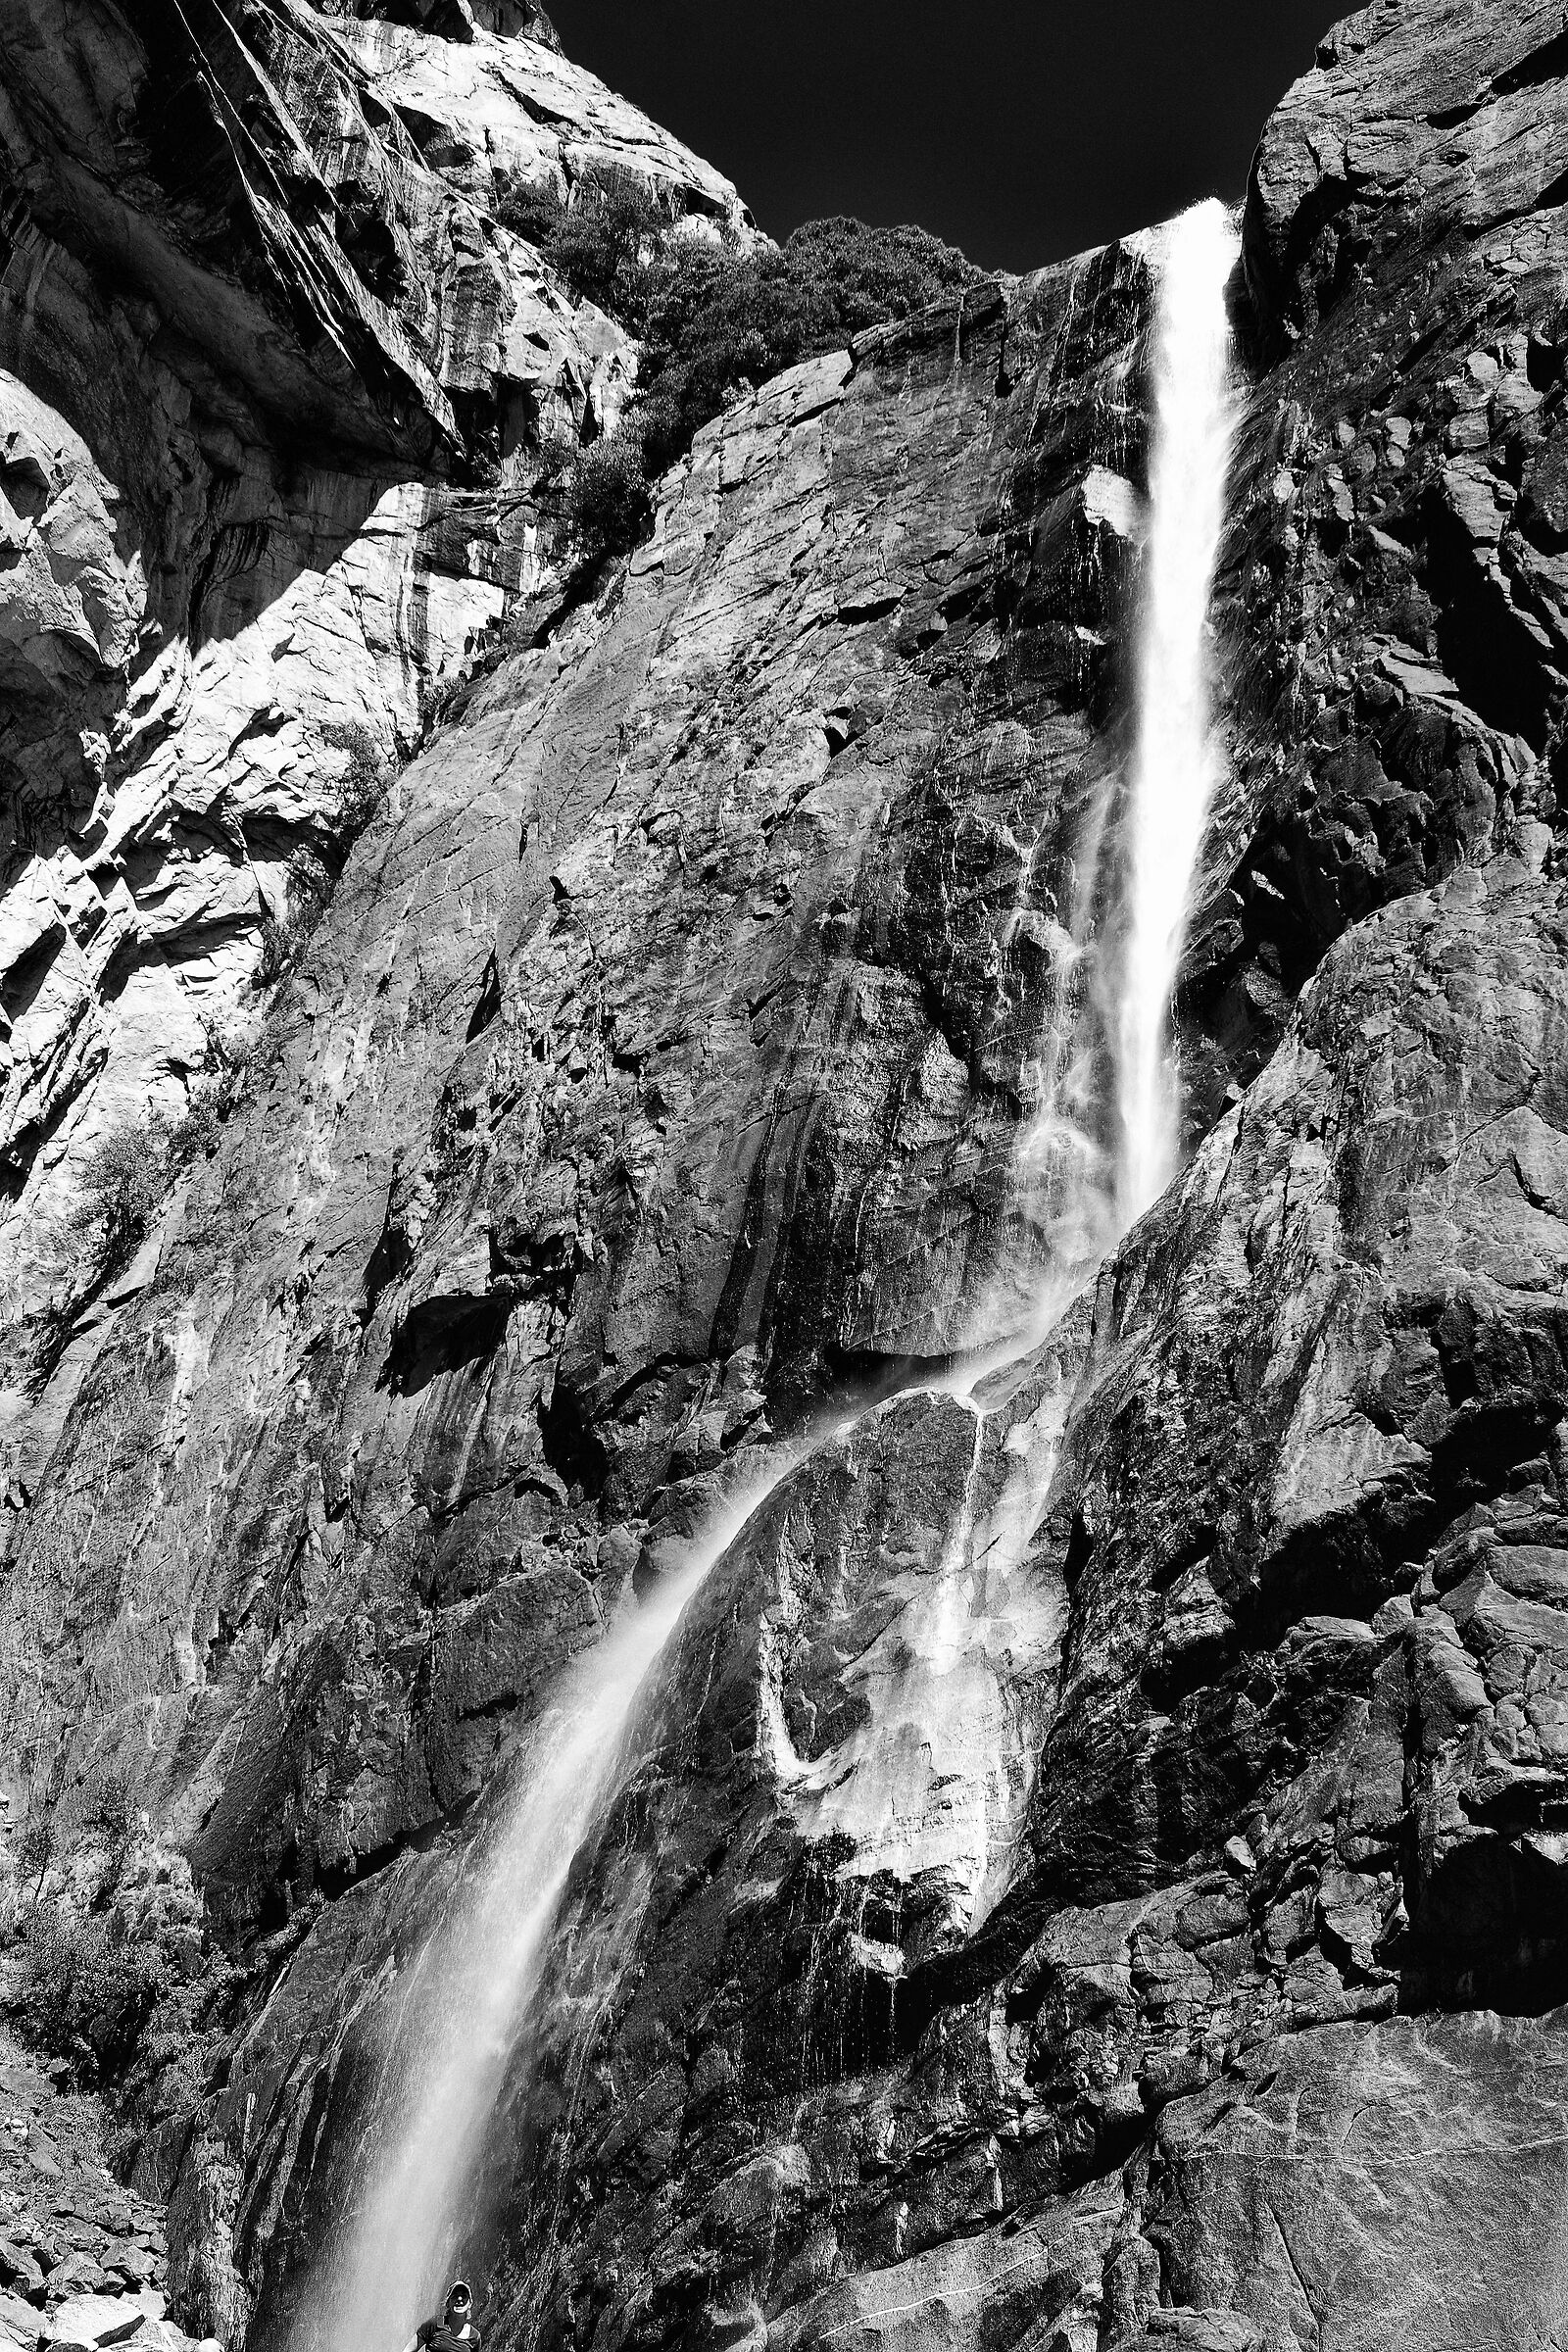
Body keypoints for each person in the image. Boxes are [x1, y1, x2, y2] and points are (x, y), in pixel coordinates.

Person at [402, 2279, 480, 2352]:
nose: (459, 2299)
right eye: (454, 2296)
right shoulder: (435, 2323)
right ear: (448, 2303)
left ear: (470, 2303)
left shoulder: (475, 2336)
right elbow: (409, 2349)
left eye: (464, 2296)